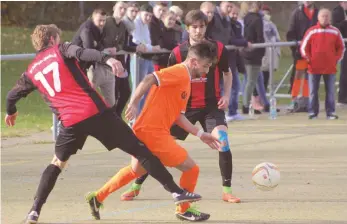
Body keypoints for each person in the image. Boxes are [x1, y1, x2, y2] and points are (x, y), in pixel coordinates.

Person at [4, 24, 201, 224]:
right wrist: (107, 59)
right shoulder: (61, 49)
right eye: (59, 37)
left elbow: (11, 96)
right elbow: (83, 52)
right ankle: (176, 192)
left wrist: (11, 111)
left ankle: (34, 211)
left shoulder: (30, 72)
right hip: (94, 112)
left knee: (56, 163)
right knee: (140, 149)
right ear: (53, 39)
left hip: (70, 122)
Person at [87, 41, 220, 222]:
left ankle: (97, 197)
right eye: (206, 66)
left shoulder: (186, 80)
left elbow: (178, 116)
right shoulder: (180, 71)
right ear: (194, 62)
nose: (207, 71)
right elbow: (149, 79)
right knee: (191, 168)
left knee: (135, 170)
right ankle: (184, 209)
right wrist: (133, 102)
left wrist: (200, 134)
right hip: (153, 132)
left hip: (148, 131)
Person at [122, 10, 240, 204]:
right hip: (184, 109)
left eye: (202, 26)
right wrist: (140, 104)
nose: (199, 31)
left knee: (223, 141)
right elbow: (163, 81)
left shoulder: (218, 49)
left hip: (211, 106)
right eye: (194, 27)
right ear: (187, 28)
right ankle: (136, 186)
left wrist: (226, 95)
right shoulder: (177, 53)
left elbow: (227, 74)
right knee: (157, 147)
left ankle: (227, 190)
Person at [300, 8, 345, 119]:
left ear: (330, 18)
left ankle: (330, 112)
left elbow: (341, 47)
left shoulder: (335, 31)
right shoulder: (311, 31)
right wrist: (308, 59)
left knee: (330, 92)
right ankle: (312, 112)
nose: (325, 18)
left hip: (330, 67)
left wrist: (336, 59)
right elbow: (303, 47)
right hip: (314, 67)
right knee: (313, 92)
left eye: (327, 16)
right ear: (318, 18)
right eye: (323, 16)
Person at [286, 1, 319, 112]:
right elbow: (290, 32)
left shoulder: (318, 13)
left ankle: (306, 101)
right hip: (300, 52)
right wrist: (296, 49)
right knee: (298, 77)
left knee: (309, 77)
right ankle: (294, 101)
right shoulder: (297, 13)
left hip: (314, 53)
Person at [332, 1, 347, 106]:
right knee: (345, 73)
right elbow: (336, 28)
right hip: (343, 45)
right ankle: (343, 98)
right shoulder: (337, 12)